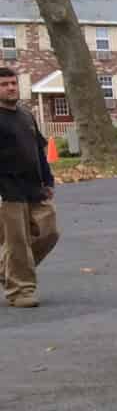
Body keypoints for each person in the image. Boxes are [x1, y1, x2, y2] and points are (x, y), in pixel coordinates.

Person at [0, 66, 59, 309]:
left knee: (49, 231)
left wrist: (48, 180)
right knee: (17, 242)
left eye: (13, 83)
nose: (11, 87)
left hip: (34, 187)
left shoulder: (25, 115)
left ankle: (6, 269)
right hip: (7, 189)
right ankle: (20, 290)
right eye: (4, 84)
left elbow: (38, 150)